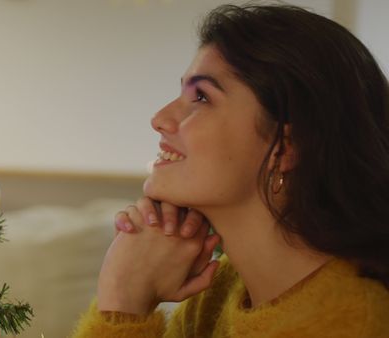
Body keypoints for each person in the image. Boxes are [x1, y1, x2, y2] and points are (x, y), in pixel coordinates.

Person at [72, 4, 389, 337]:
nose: (160, 119)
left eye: (203, 98)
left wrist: (122, 304)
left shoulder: (352, 322)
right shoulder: (218, 293)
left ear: (284, 147)